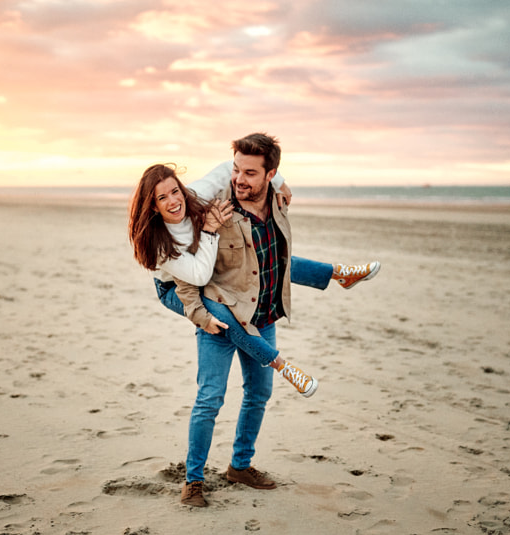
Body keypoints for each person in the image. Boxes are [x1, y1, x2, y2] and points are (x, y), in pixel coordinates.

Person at [171, 133, 365, 507]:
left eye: (250, 173)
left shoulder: (277, 202)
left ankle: (240, 466)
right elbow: (186, 270)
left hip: (263, 316)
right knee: (210, 399)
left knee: (259, 394)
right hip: (221, 319)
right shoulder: (214, 208)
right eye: (236, 170)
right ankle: (193, 481)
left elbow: (281, 261)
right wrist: (199, 314)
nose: (239, 179)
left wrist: (281, 185)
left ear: (269, 174)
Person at [127, 163, 380, 399]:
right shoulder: (159, 243)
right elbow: (197, 278)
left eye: (174, 191)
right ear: (153, 206)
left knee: (264, 261)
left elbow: (231, 166)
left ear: (182, 189)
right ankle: (280, 364)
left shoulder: (196, 195)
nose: (172, 201)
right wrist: (209, 230)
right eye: (162, 198)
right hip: (174, 286)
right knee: (218, 313)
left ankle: (339, 274)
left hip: (203, 260)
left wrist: (279, 182)